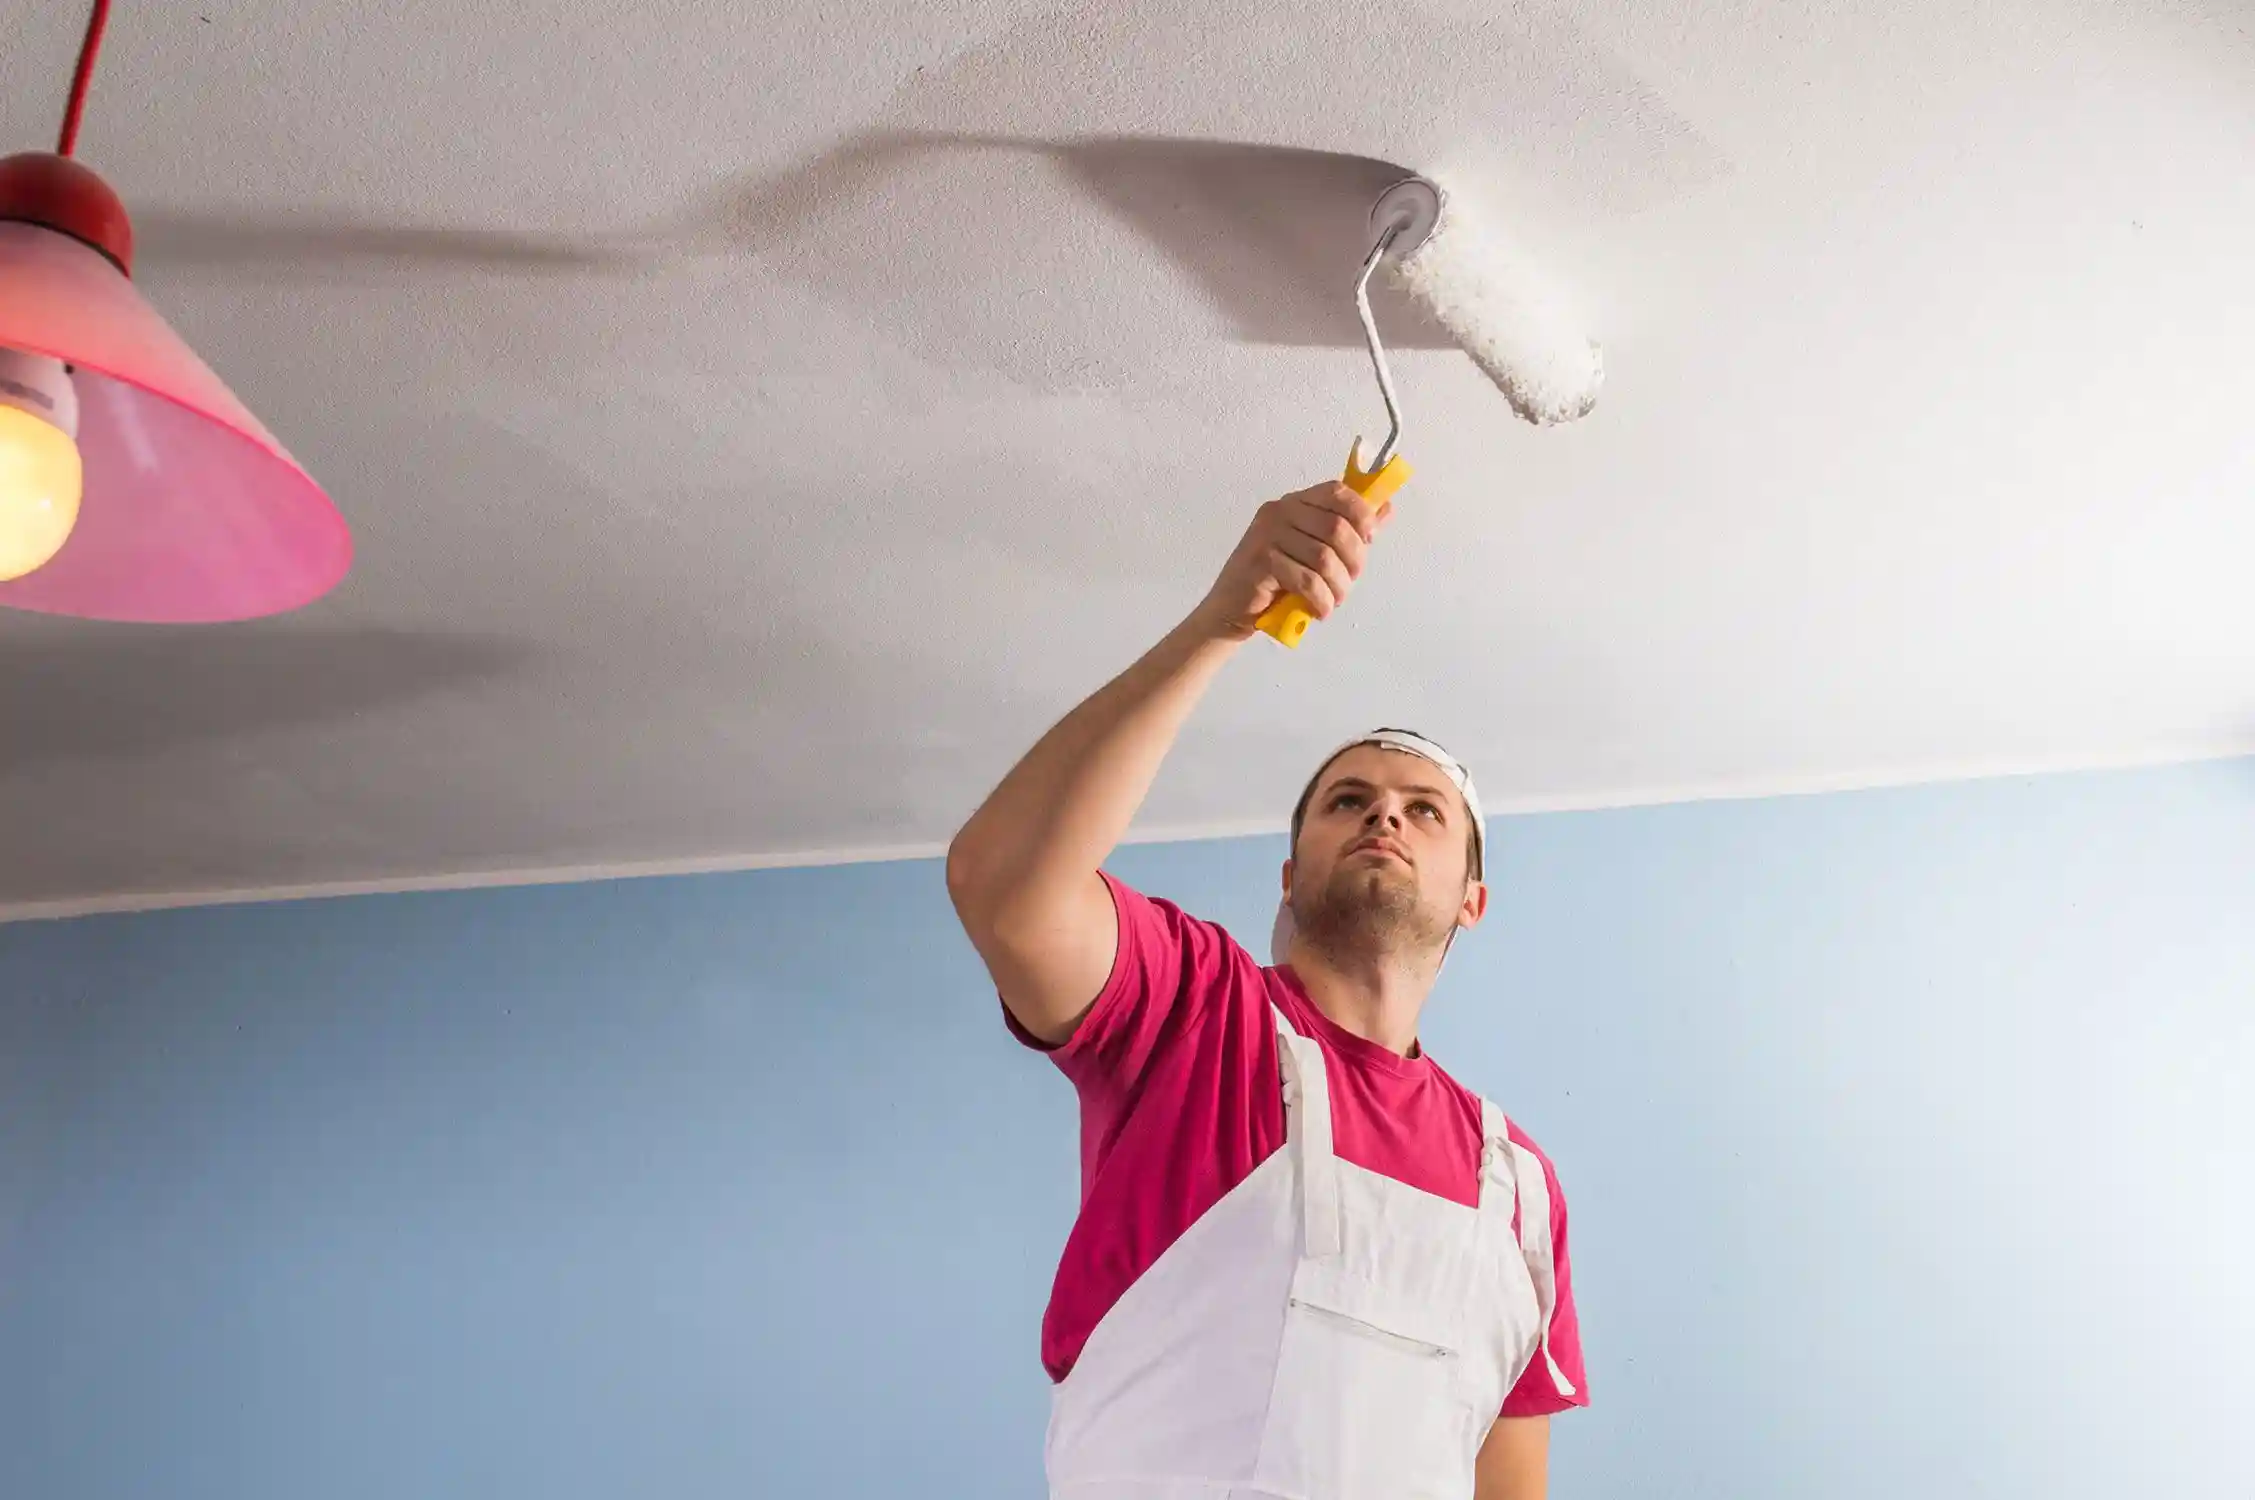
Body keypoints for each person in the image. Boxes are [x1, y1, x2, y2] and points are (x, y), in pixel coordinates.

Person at [946, 480, 1589, 1500]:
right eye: (1348, 801)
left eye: (1424, 811)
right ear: (1288, 877)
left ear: (1471, 899)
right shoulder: (1195, 1012)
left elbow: (1507, 1481)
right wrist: (1218, 624)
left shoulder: (1518, 1190)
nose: (1384, 816)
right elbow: (1005, 889)